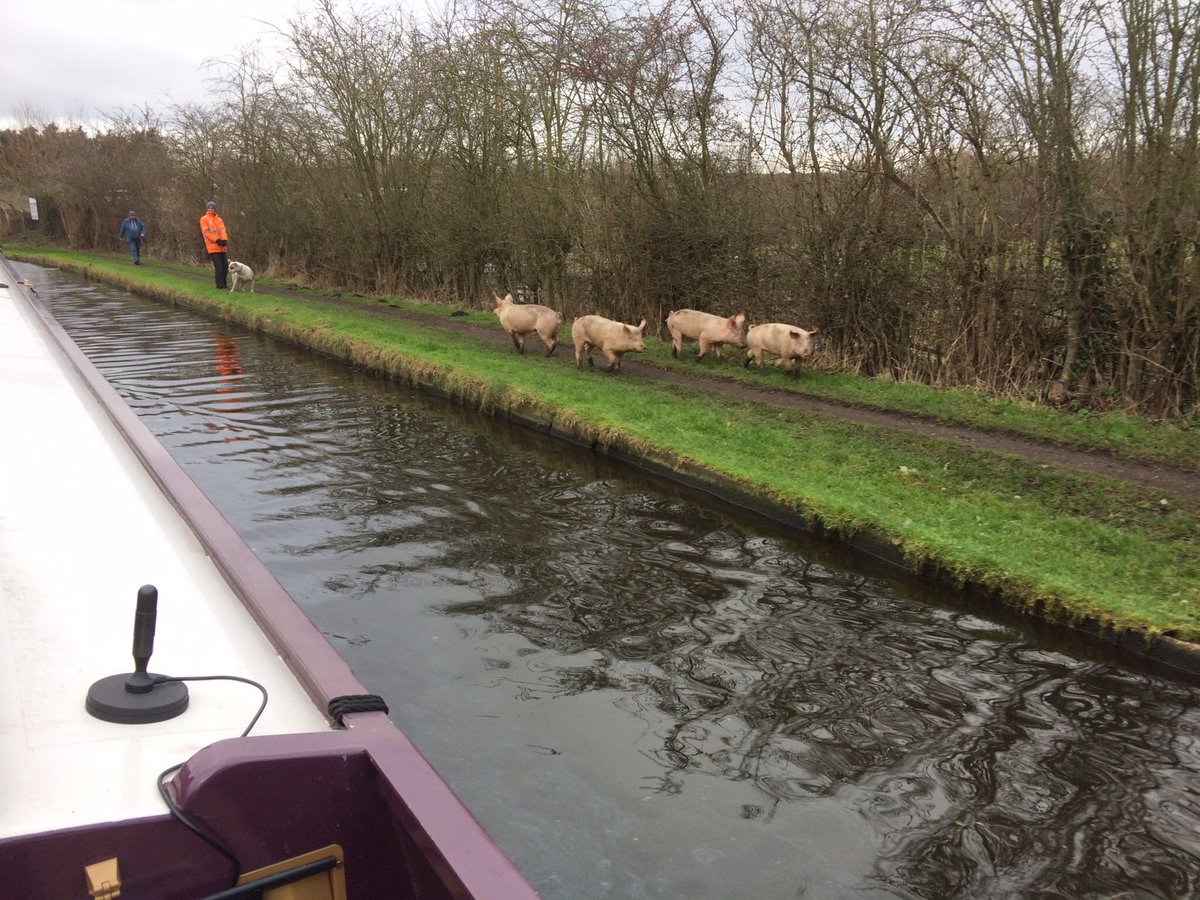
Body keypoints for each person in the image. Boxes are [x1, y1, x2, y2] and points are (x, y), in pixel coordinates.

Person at [199, 200, 229, 289]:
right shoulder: (204, 219)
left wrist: (224, 240)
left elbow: (223, 230)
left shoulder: (219, 219)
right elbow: (206, 233)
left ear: (214, 208)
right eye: (209, 207)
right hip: (212, 246)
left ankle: (224, 285)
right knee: (219, 266)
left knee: (225, 266)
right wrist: (216, 240)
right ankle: (219, 286)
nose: (210, 209)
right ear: (207, 209)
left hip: (222, 246)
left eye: (212, 207)